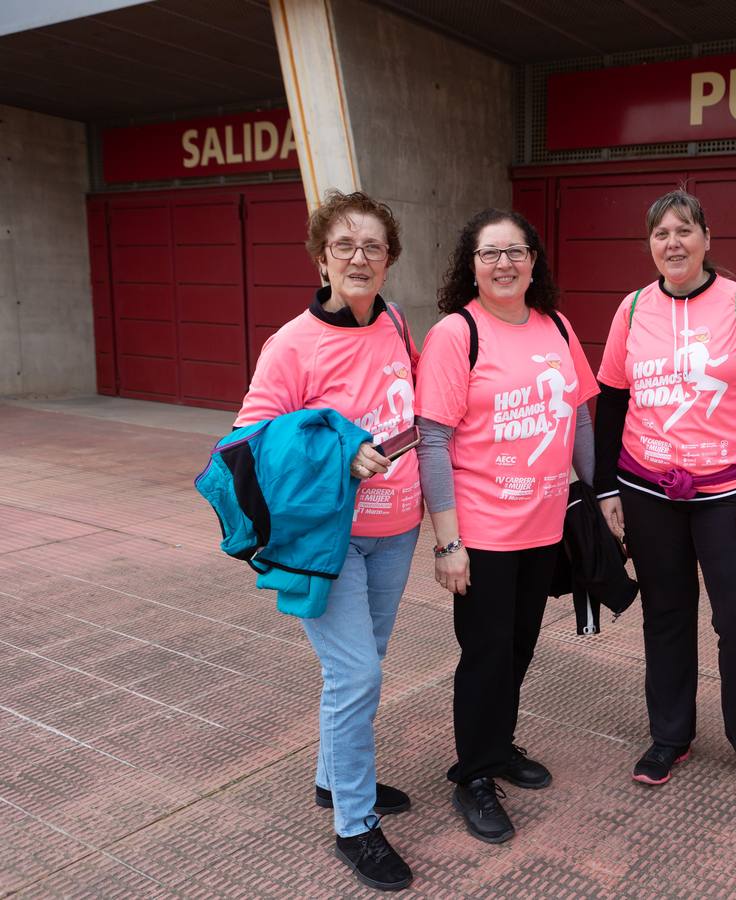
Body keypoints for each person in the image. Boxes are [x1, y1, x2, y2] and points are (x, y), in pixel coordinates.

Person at [235, 190, 421, 892]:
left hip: (396, 528)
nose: (359, 257)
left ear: (389, 259)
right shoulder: (292, 343)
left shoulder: (398, 322)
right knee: (357, 676)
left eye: (373, 246)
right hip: (327, 539)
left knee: (361, 663)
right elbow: (248, 438)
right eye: (343, 245)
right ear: (321, 259)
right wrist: (337, 453)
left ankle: (332, 778)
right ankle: (354, 824)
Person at [593, 189, 736, 794]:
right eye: (661, 234)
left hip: (730, 492)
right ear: (649, 246)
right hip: (648, 489)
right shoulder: (631, 310)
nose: (673, 243)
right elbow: (611, 402)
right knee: (667, 614)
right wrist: (606, 487)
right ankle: (670, 735)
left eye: (684, 231)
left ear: (707, 238)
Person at [414, 209, 598, 845]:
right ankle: (475, 775)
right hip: (483, 531)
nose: (503, 264)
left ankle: (496, 743)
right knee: (486, 655)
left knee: (518, 646)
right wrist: (448, 542)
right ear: (471, 264)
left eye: (515, 252)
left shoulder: (557, 326)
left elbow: (579, 417)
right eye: (490, 253)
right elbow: (432, 441)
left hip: (543, 525)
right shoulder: (455, 334)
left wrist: (597, 498)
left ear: (533, 260)